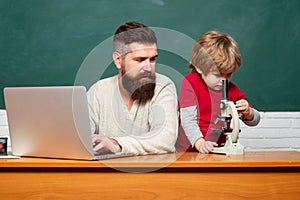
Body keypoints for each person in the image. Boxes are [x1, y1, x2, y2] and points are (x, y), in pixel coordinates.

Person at [87, 21, 178, 155]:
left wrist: (116, 144)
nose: (148, 68)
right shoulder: (98, 91)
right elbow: (79, 138)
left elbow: (165, 139)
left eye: (152, 59)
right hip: (104, 174)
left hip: (152, 174)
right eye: (140, 60)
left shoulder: (163, 86)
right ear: (118, 60)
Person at [176, 31, 260, 153]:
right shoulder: (191, 83)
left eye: (229, 74)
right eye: (218, 75)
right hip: (187, 151)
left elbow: (255, 120)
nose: (224, 80)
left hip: (217, 150)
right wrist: (200, 143)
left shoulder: (231, 89)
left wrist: (248, 112)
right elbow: (188, 120)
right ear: (199, 67)